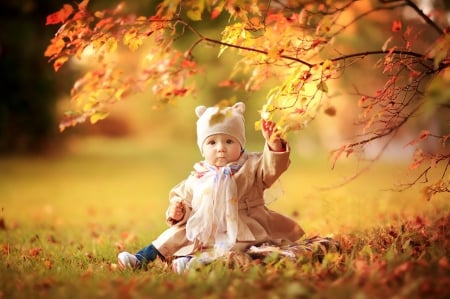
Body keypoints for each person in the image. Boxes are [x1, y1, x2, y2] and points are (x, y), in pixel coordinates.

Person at [117, 102, 305, 271]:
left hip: (242, 224)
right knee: (175, 235)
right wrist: (177, 212)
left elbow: (272, 168)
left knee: (233, 248)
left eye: (229, 141)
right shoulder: (199, 174)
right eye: (212, 142)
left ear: (241, 145)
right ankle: (141, 258)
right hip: (205, 224)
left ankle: (194, 263)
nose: (220, 148)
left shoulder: (251, 167)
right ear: (203, 148)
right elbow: (183, 198)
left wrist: (274, 144)